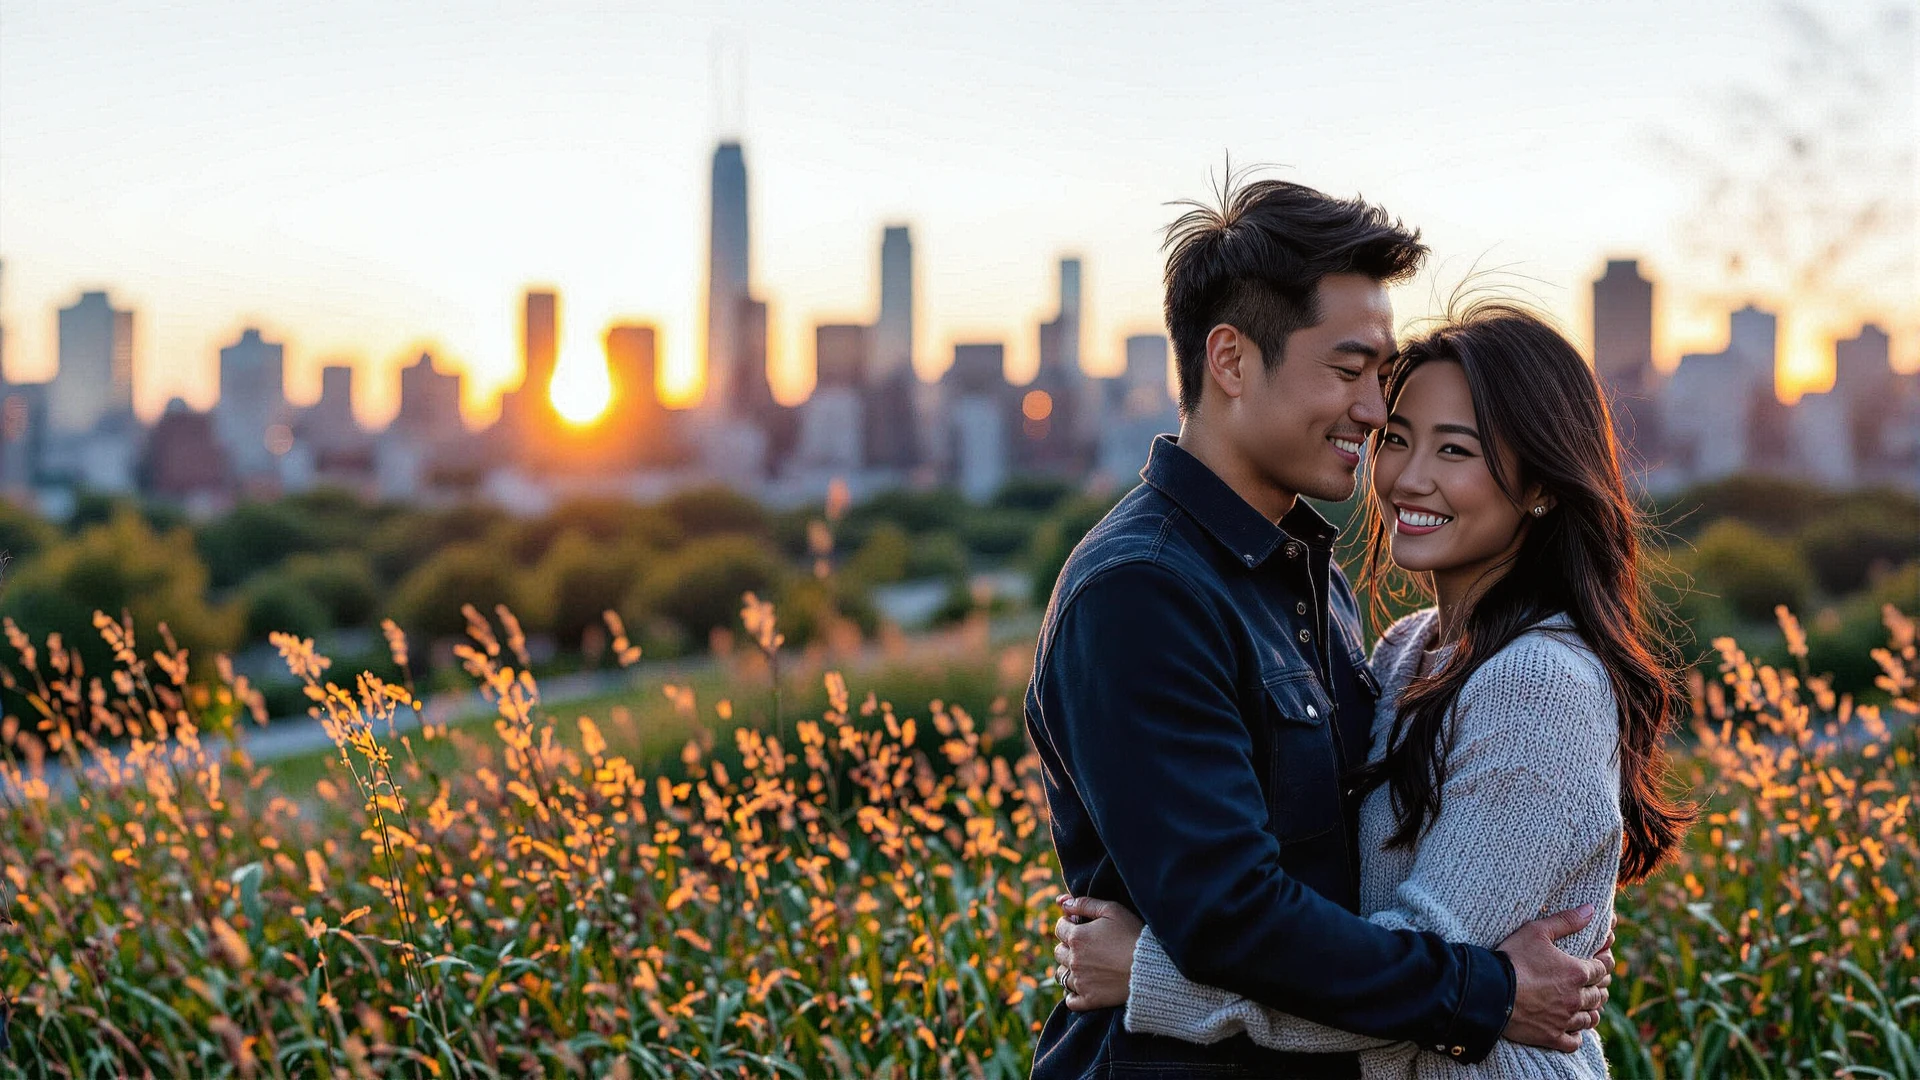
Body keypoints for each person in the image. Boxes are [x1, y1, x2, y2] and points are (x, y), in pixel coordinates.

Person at [1024, 176, 1613, 1080]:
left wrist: (1147, 968)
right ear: (1230, 361)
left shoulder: (1307, 578)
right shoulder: (1143, 591)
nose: (1375, 414)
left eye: (1382, 378)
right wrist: (1489, 992)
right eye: (1350, 372)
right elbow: (1235, 918)